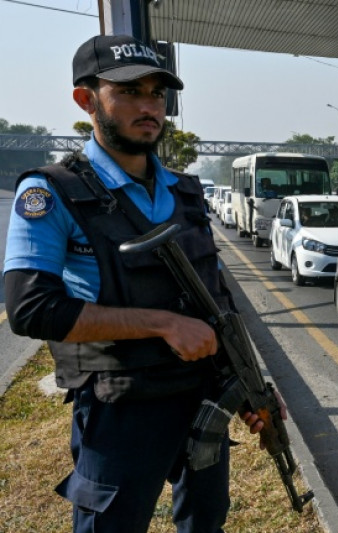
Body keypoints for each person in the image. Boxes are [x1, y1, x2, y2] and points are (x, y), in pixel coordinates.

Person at [2, 34, 271, 533]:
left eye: (157, 94)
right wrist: (163, 324)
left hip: (201, 400)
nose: (148, 107)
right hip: (119, 407)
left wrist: (249, 386)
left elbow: (217, 297)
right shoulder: (50, 191)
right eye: (128, 92)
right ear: (86, 100)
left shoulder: (185, 191)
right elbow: (30, 309)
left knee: (206, 521)